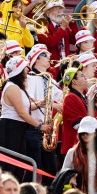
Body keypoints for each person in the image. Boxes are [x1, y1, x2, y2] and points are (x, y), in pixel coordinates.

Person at [0, 57, 53, 181]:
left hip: (17, 128)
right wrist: (40, 126)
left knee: (18, 167)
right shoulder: (12, 87)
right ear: (19, 71)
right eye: (24, 68)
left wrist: (40, 103)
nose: (27, 70)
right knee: (9, 167)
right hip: (10, 128)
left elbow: (22, 109)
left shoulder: (17, 87)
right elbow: (21, 112)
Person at [25, 44, 64, 183]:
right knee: (34, 169)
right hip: (33, 127)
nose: (50, 57)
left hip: (47, 128)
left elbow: (61, 97)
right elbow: (28, 99)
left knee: (51, 169)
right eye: (45, 55)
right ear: (36, 59)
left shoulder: (49, 78)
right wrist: (52, 104)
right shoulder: (29, 77)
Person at [60, 67, 89, 156]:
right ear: (74, 81)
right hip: (74, 149)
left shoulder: (81, 97)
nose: (86, 78)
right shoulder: (70, 97)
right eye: (82, 76)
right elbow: (77, 124)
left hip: (80, 147)